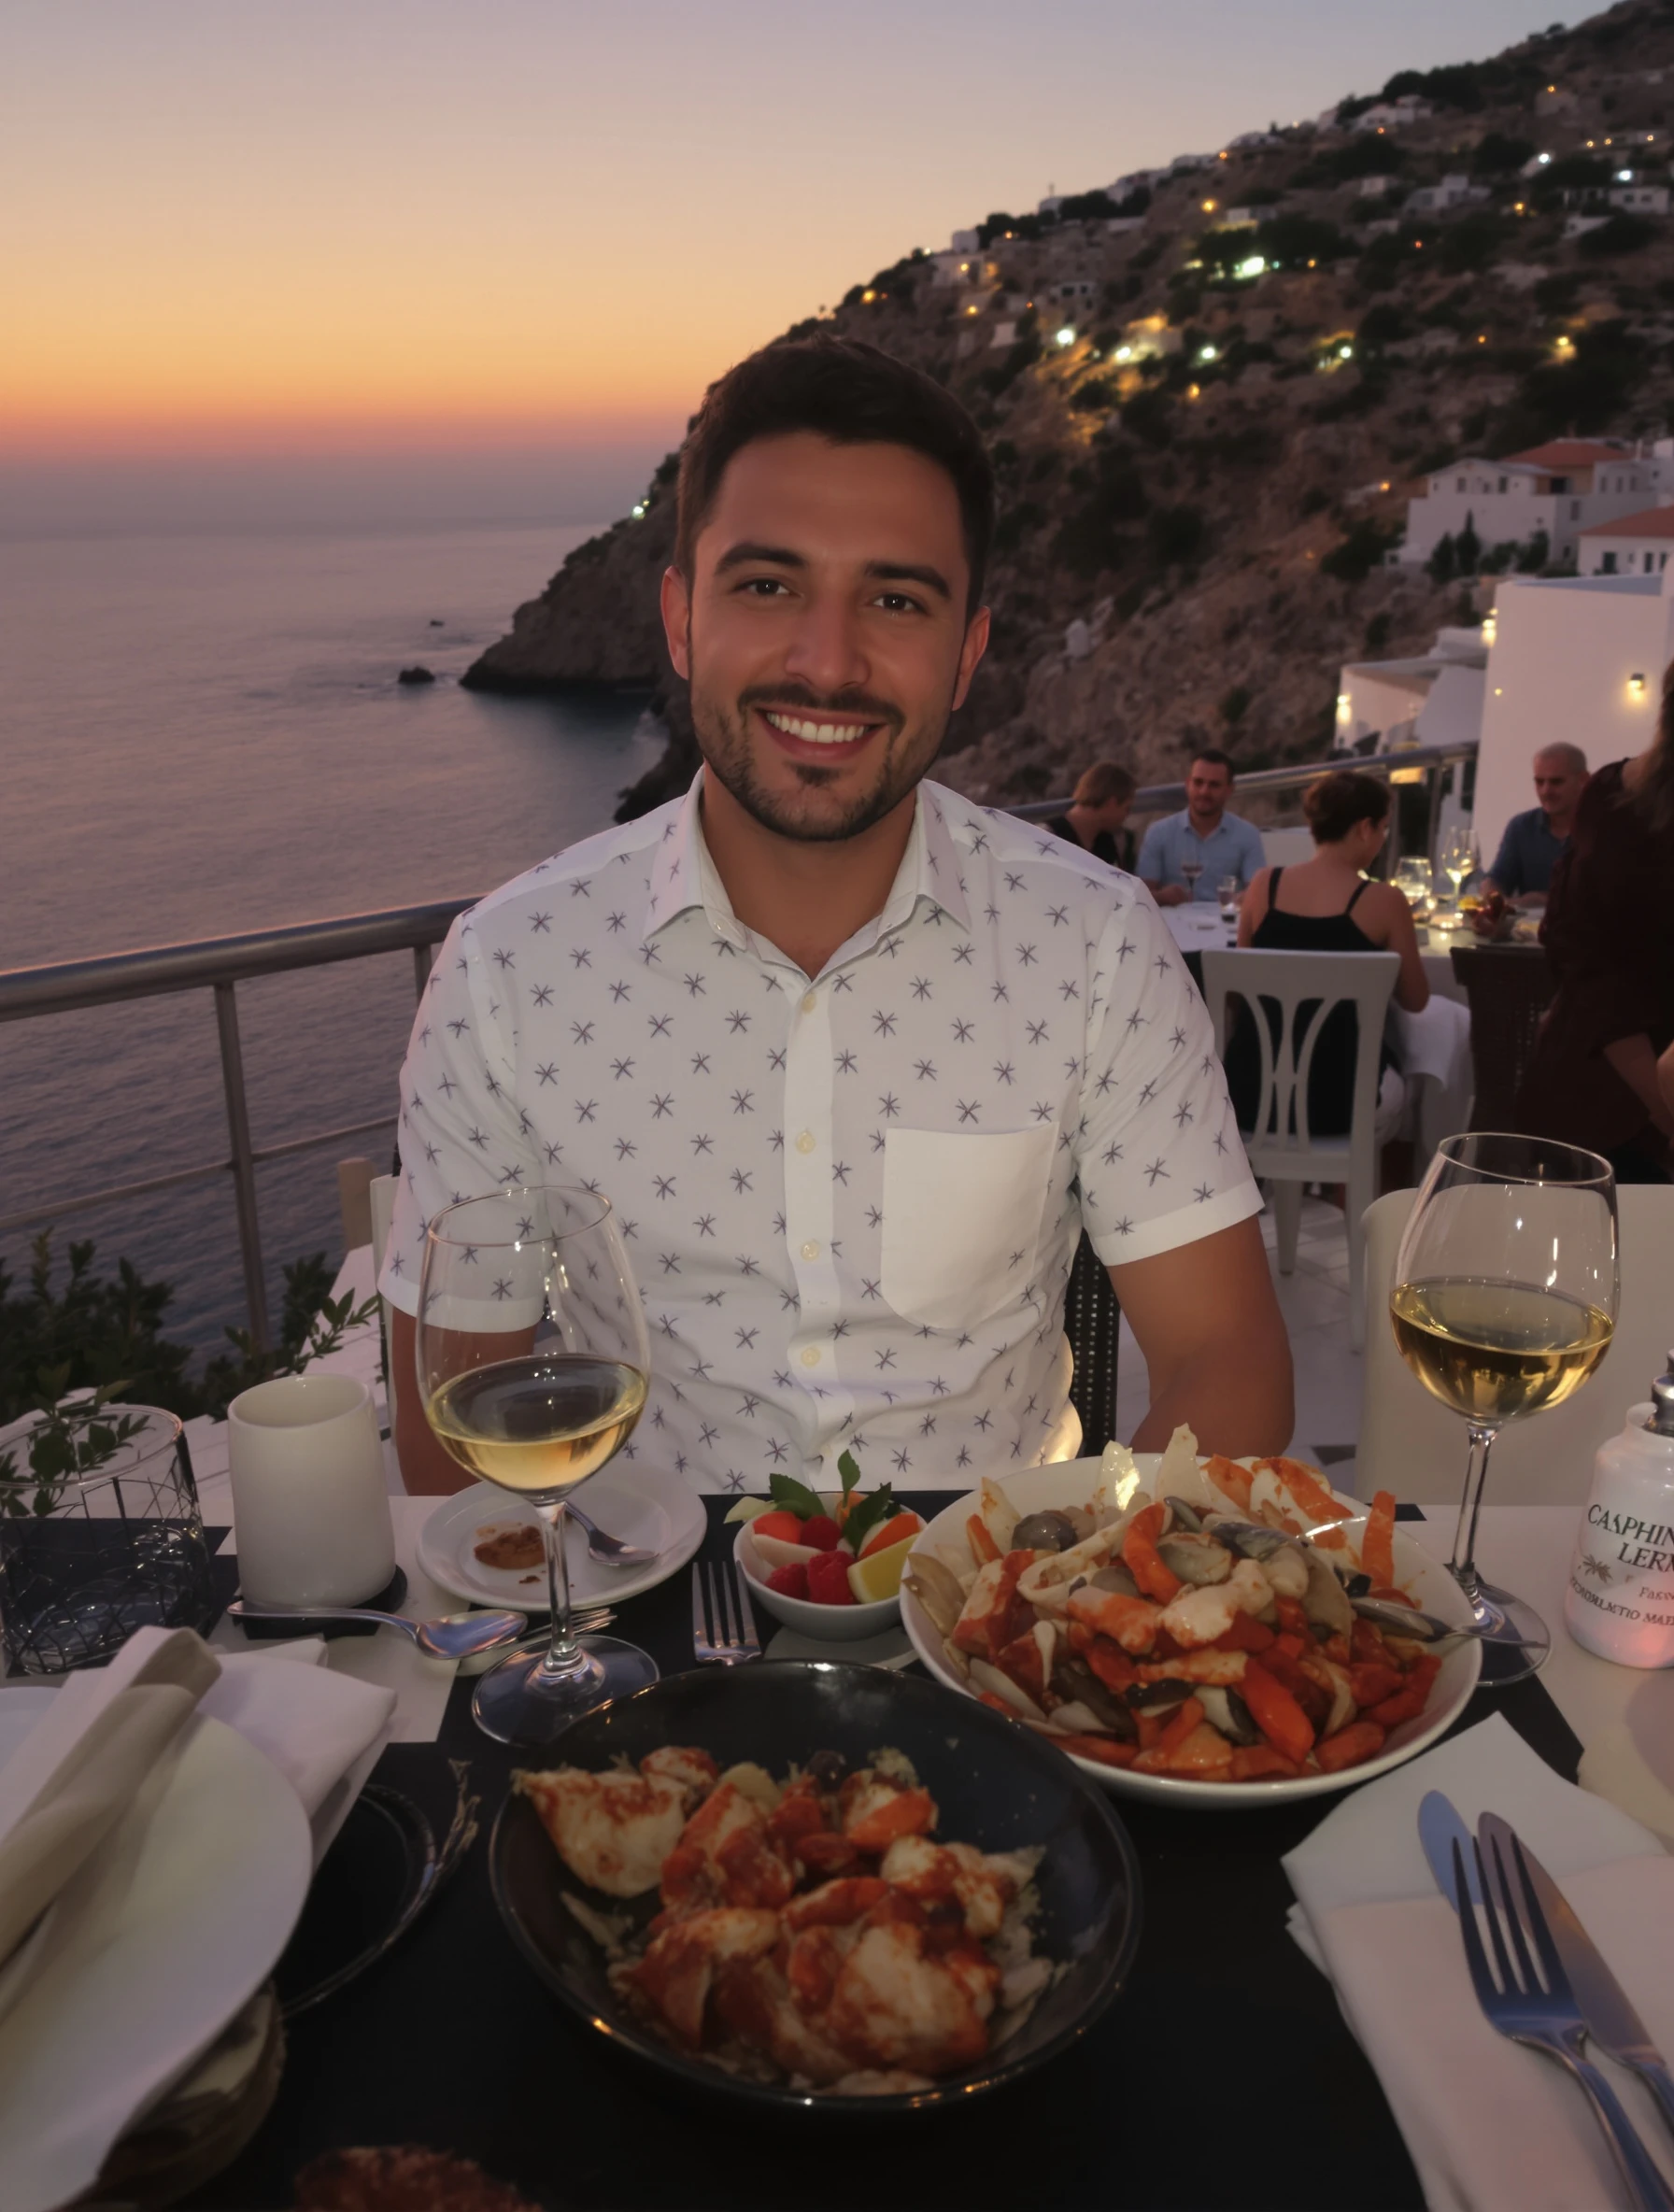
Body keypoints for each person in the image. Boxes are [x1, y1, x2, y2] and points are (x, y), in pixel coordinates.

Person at [379, 336, 1293, 1497]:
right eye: (767, 587)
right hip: (636, 1628)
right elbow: (445, 1441)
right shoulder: (509, 970)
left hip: (982, 1622)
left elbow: (1231, 1359)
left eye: (895, 599)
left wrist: (1077, 1590)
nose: (828, 662)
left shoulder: (1097, 947)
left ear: (965, 655)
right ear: (680, 617)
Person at [1517, 676, 1674, 1183]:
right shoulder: (1611, 799)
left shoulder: (1608, 794)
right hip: (1607, 1105)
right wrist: (1662, 1105)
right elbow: (1585, 957)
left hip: (1602, 1085)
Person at [1225, 772, 1428, 1140]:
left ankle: (1290, 1191)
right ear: (1365, 828)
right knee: (1410, 1082)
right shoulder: (1385, 902)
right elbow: (1415, 1000)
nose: (1382, 838)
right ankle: (1343, 1190)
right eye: (1383, 827)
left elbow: (1238, 994)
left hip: (1250, 1095)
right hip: (1341, 1104)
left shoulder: (1262, 886)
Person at [1137, 749, 1265, 906]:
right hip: (1171, 926)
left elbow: (1257, 891)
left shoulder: (1247, 835)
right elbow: (1141, 894)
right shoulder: (1159, 833)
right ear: (1187, 784)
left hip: (1226, 926)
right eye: (1198, 783)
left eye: (1214, 785)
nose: (1204, 791)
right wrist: (1163, 897)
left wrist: (1245, 898)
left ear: (1229, 790)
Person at [1484, 743, 1589, 907]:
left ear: (1583, 780)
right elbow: (1497, 879)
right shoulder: (1521, 827)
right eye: (1539, 782)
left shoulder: (1604, 829)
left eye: (1556, 782)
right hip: (1524, 931)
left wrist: (1545, 901)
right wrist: (1494, 902)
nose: (1546, 791)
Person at [1045, 760, 1137, 871]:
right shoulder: (1047, 837)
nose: (1126, 815)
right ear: (1111, 803)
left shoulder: (1115, 842)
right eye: (1127, 808)